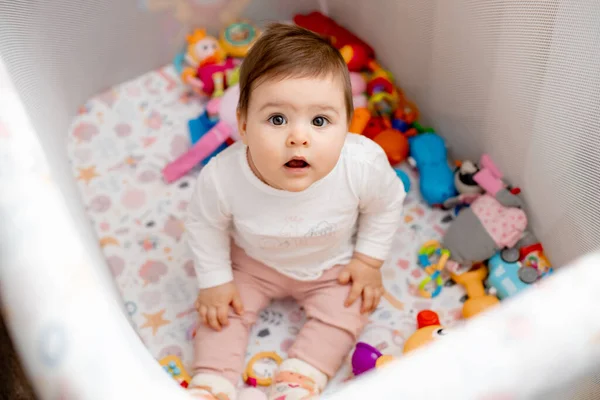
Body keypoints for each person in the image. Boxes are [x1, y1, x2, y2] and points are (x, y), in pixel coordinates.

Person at [185, 22, 406, 400]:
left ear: (348, 126)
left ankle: (302, 374)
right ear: (242, 124)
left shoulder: (362, 164)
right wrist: (215, 281)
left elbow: (386, 204)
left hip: (331, 264)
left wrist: (368, 261)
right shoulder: (223, 177)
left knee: (348, 309)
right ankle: (213, 381)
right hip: (252, 262)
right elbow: (204, 225)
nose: (298, 137)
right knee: (220, 312)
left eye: (320, 121)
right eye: (276, 119)